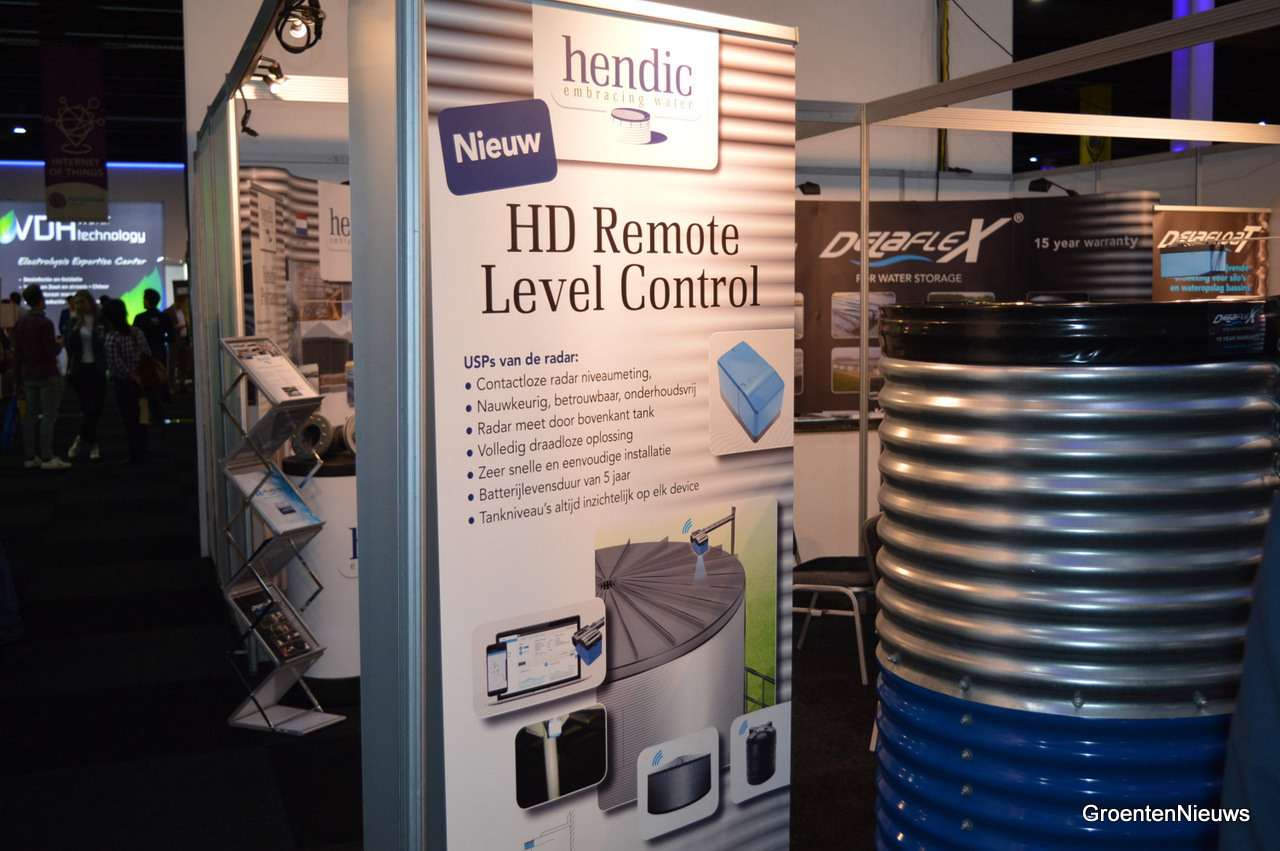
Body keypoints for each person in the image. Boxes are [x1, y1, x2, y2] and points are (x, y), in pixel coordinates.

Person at [12, 284, 70, 470]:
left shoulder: (21, 323)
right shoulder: (45, 323)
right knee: (48, 417)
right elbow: (50, 350)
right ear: (41, 298)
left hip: (29, 374)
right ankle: (47, 456)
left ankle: (30, 456)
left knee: (30, 417)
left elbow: (18, 354)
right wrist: (60, 344)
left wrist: (17, 378)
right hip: (47, 373)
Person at [103, 297, 151, 466]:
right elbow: (147, 354)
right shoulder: (137, 332)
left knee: (130, 420)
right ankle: (144, 453)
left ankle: (135, 454)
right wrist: (139, 377)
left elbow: (117, 364)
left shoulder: (112, 337)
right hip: (143, 383)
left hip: (124, 385)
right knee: (143, 419)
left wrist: (132, 377)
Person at [64, 290, 108, 461]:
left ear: (90, 302)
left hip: (97, 368)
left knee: (96, 408)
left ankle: (79, 440)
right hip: (80, 369)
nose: (79, 305)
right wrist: (75, 331)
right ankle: (94, 445)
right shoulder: (73, 321)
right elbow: (70, 347)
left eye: (82, 301)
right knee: (86, 409)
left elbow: (105, 344)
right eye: (77, 302)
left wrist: (100, 338)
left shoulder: (101, 321)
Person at [132, 288, 173, 420]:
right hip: (160, 352)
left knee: (147, 384)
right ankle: (161, 411)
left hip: (144, 355)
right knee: (159, 379)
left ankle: (147, 415)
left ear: (147, 300)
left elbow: (134, 338)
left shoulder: (140, 318)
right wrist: (161, 339)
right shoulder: (164, 317)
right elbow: (172, 336)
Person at [163, 291, 191, 393]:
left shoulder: (183, 311)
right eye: (181, 303)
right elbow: (166, 326)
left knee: (184, 363)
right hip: (174, 340)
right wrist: (177, 326)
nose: (183, 305)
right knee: (172, 363)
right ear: (177, 302)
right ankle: (172, 385)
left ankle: (182, 384)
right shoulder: (168, 312)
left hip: (184, 340)